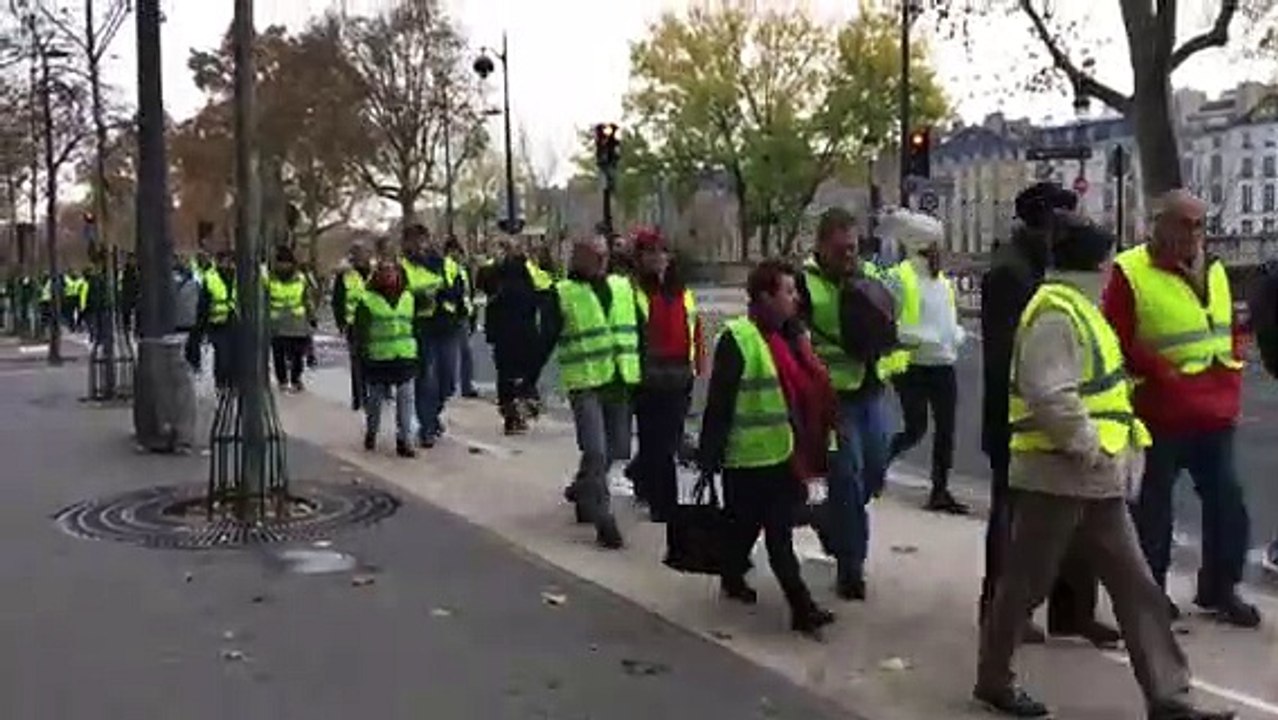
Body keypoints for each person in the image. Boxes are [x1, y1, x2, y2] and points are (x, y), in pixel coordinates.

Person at [975, 213, 1232, 720]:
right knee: (1024, 585)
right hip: (1058, 474)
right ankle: (993, 680)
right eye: (1109, 259)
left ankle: (1169, 697)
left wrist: (1117, 448)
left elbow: (1100, 392)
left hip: (1091, 478)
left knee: (1136, 587)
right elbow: (1050, 395)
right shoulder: (1057, 312)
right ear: (1097, 263)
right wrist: (1090, 445)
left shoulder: (1076, 308)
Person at [1104, 190, 1260, 628]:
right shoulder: (1130, 271)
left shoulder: (1214, 268)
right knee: (1153, 511)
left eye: (1199, 225)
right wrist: (1159, 371)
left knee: (1229, 504)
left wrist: (1232, 366)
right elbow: (1115, 339)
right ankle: (1150, 593)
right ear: (1158, 224)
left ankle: (1219, 589)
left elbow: (1224, 326)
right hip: (1160, 412)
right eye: (1183, 224)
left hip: (1214, 410)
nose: (1193, 234)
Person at [979, 182, 1117, 647]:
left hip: (1060, 418)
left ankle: (1072, 611)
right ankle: (1000, 612)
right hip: (1020, 422)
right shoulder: (1010, 273)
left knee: (1077, 522)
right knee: (1016, 526)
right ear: (1044, 221)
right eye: (1066, 220)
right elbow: (1010, 361)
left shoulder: (1044, 267)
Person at [698, 259, 837, 637]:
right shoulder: (738, 338)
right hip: (745, 460)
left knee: (773, 533)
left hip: (780, 456)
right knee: (753, 530)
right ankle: (766, 590)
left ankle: (794, 604)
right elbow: (720, 404)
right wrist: (708, 458)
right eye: (787, 292)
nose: (795, 300)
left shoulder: (790, 339)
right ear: (764, 297)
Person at [797, 207, 896, 601]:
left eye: (853, 249)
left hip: (869, 391)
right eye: (841, 250)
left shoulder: (869, 277)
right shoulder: (804, 285)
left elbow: (889, 321)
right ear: (822, 246)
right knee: (847, 479)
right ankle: (851, 567)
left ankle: (831, 522)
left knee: (874, 469)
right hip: (832, 403)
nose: (849, 257)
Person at [536, 235, 637, 549]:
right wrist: (525, 379)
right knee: (596, 450)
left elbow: (638, 331)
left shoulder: (621, 287)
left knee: (618, 448)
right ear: (578, 259)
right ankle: (603, 518)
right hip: (585, 382)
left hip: (619, 378)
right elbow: (545, 339)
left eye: (604, 256)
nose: (601, 261)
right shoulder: (563, 293)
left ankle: (583, 489)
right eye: (593, 256)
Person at [880, 210, 968, 514]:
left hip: (944, 362)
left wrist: (954, 336)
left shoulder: (942, 281)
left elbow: (949, 318)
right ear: (923, 245)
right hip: (912, 365)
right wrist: (924, 338)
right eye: (936, 245)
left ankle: (940, 490)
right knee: (915, 427)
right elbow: (890, 323)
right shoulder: (898, 278)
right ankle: (879, 465)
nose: (940, 252)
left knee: (946, 430)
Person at [630, 228, 702, 522]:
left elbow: (693, 330)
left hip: (679, 374)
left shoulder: (682, 292)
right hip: (647, 376)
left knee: (667, 440)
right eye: (650, 252)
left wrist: (697, 368)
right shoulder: (635, 292)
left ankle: (641, 474)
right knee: (656, 441)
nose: (658, 258)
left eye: (661, 252)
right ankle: (665, 504)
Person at [401, 223, 465, 447]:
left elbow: (460, 291)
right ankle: (426, 426)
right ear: (406, 243)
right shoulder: (403, 268)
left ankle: (433, 415)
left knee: (448, 381)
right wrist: (421, 297)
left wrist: (447, 296)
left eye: (422, 240)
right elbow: (400, 296)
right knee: (426, 380)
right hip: (421, 328)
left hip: (447, 326)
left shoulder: (447, 264)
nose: (419, 245)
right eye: (414, 241)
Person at [479, 237, 552, 435]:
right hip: (509, 329)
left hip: (521, 328)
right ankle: (513, 411)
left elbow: (546, 286)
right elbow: (483, 283)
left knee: (517, 371)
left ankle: (518, 405)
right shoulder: (494, 270)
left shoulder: (526, 269)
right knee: (509, 372)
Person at [354, 259, 417, 459]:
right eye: (385, 272)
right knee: (375, 401)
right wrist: (362, 355)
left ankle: (404, 440)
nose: (389, 276)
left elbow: (416, 326)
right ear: (377, 276)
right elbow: (360, 331)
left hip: (404, 356)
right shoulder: (367, 300)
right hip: (378, 358)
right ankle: (372, 431)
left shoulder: (409, 297)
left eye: (392, 272)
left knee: (405, 399)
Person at [332, 241, 373, 411]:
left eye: (363, 254)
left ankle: (374, 394)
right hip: (354, 324)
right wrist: (341, 322)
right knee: (357, 362)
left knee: (372, 359)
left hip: (375, 323)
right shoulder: (345, 276)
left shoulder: (375, 273)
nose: (361, 258)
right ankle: (359, 398)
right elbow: (338, 300)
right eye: (357, 255)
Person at [187, 250, 237, 389]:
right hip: (217, 323)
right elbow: (203, 305)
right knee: (222, 354)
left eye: (230, 261)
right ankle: (221, 382)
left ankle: (231, 381)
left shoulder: (239, 276)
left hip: (235, 323)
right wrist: (200, 328)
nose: (228, 264)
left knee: (234, 354)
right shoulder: (210, 278)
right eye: (225, 261)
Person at [267, 247, 312, 393]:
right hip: (277, 324)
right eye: (281, 262)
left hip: (296, 323)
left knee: (297, 355)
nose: (284, 266)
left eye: (286, 263)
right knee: (278, 354)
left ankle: (295, 378)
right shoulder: (269, 278)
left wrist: (311, 316)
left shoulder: (301, 278)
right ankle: (283, 380)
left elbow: (307, 298)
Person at [445, 238, 481, 398]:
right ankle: (450, 386)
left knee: (465, 352)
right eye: (455, 252)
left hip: (463, 315)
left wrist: (473, 316)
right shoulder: (445, 268)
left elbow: (470, 293)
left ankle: (466, 386)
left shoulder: (464, 269)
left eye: (459, 252)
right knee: (450, 353)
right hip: (450, 316)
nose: (458, 255)